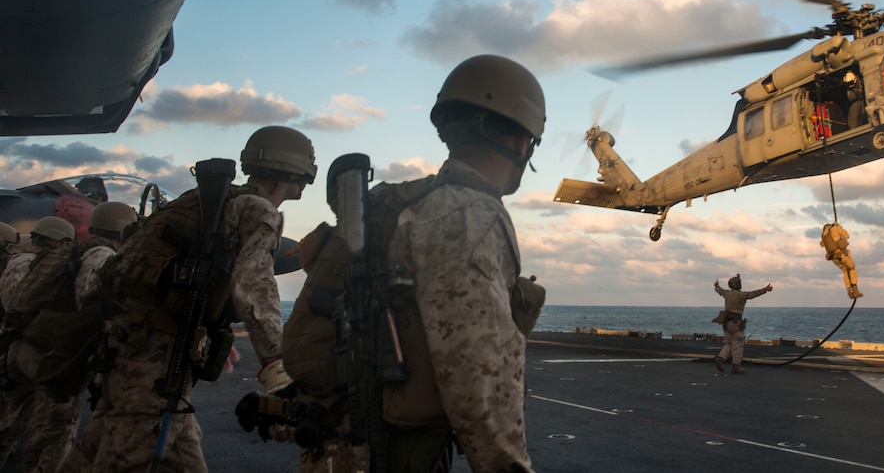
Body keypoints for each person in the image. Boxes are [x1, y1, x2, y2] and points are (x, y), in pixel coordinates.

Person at [287, 54, 546, 473]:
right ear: (522, 140)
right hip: (388, 452)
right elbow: (478, 379)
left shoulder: (385, 203)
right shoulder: (470, 213)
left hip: (332, 447)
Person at [57, 126, 317, 472]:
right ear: (296, 171)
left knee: (141, 448)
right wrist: (277, 367)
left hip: (131, 350)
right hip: (156, 366)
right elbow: (254, 283)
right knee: (123, 457)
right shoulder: (257, 210)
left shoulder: (199, 203)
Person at [0, 216, 77, 471]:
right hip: (40, 352)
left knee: (10, 418)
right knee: (57, 426)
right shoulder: (43, 265)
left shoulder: (18, 262)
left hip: (14, 347)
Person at [712, 274, 772, 375]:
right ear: (738, 285)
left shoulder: (727, 293)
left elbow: (719, 290)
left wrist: (716, 286)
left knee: (729, 343)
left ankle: (720, 358)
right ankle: (736, 366)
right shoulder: (741, 295)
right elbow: (753, 294)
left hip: (726, 322)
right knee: (738, 344)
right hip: (736, 322)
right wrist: (765, 289)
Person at [820, 222, 862, 299]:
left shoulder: (824, 235)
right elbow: (847, 235)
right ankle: (855, 291)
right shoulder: (834, 229)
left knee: (845, 271)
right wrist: (839, 227)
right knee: (852, 269)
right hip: (842, 255)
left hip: (834, 258)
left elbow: (822, 245)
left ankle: (849, 292)